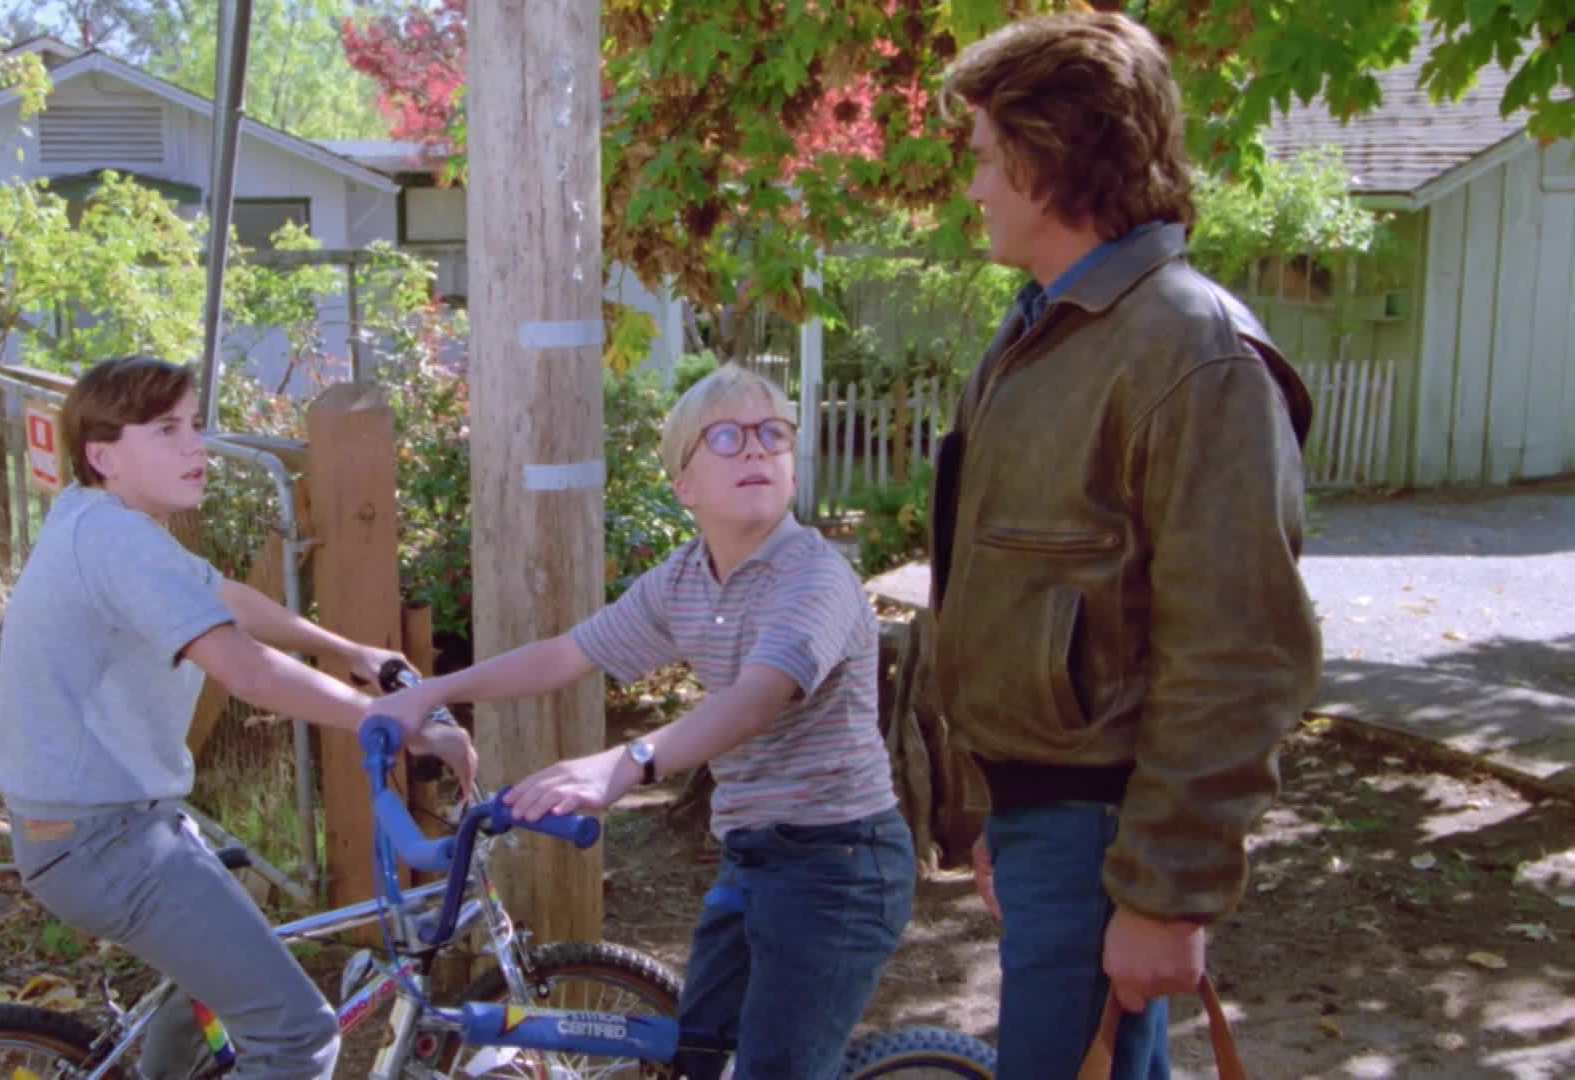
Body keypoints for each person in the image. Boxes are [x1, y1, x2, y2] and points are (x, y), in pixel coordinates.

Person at [923, 12, 1322, 1078]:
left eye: (986, 158)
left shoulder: (1192, 349)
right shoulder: (1042, 332)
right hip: (1047, 826)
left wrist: (1164, 895)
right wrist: (991, 808)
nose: (974, 189)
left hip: (1103, 833)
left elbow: (1240, 652)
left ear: (1051, 156)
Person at [373, 363, 915, 1080]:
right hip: (751, 850)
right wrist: (432, 691)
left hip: (839, 860)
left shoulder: (813, 576)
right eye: (726, 436)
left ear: (791, 467)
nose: (756, 447)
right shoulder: (686, 578)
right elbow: (565, 655)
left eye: (772, 433)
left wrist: (627, 761)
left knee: (776, 1067)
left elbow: (758, 696)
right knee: (696, 1057)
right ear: (684, 486)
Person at [0, 356, 476, 1079]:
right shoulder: (117, 542)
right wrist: (394, 718)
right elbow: (246, 670)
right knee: (298, 1037)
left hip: (99, 822)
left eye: (194, 424)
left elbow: (224, 596)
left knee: (204, 988)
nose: (196, 446)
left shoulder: (98, 517)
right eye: (166, 430)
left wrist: (349, 651)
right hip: (103, 840)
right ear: (103, 455)